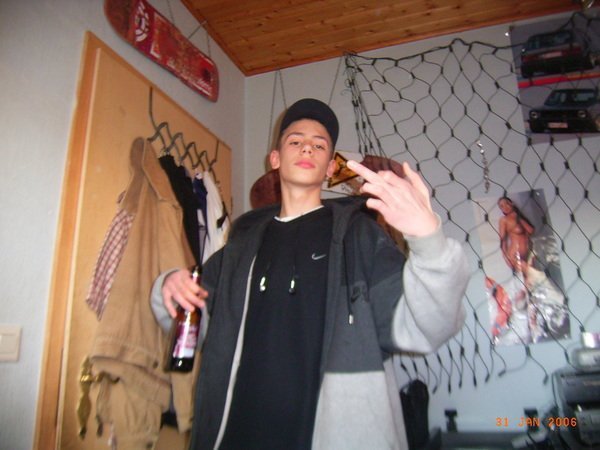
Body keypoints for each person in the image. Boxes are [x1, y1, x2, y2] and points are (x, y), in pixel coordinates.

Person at [151, 98, 469, 449]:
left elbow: (428, 328)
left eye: (319, 145)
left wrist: (429, 240)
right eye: (295, 140)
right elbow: (192, 324)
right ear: (275, 159)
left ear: (331, 167)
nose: (307, 148)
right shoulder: (240, 248)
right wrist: (169, 287)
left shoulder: (361, 238)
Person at [497, 196, 535, 277]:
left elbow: (531, 230)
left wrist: (518, 218)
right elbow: (502, 241)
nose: (505, 207)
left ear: (512, 203)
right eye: (502, 206)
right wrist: (505, 258)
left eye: (506, 203)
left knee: (532, 279)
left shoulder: (519, 217)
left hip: (528, 253)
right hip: (515, 255)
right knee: (526, 279)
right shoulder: (504, 220)